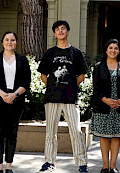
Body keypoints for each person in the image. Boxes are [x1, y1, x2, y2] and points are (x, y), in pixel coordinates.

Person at [37, 20, 89, 173]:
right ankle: (49, 162)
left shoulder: (76, 53)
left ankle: (82, 164)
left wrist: (70, 87)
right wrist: (54, 86)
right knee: (50, 133)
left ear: (67, 31)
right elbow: (43, 75)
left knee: (76, 132)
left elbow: (82, 75)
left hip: (70, 99)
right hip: (51, 99)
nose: (60, 31)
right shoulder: (50, 53)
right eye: (57, 29)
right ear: (55, 33)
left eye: (63, 29)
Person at [0, 31, 31, 173]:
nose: (9, 42)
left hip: (16, 101)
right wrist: (3, 95)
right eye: (7, 40)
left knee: (12, 133)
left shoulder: (22, 60)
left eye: (12, 40)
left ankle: (9, 165)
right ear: (2, 42)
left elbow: (26, 82)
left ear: (16, 43)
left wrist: (14, 95)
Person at [91, 39, 120, 173]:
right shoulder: (98, 66)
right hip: (103, 106)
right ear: (106, 49)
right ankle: (104, 166)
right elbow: (95, 87)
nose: (113, 50)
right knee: (104, 136)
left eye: (116, 48)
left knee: (116, 136)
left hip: (119, 106)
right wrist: (106, 100)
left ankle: (113, 166)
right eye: (110, 48)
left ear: (119, 51)